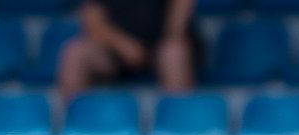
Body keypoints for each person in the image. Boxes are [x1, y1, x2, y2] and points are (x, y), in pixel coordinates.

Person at [57, 0, 197, 103]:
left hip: (162, 43)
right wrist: (123, 45)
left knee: (174, 53)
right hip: (113, 49)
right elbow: (93, 23)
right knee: (75, 53)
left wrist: (171, 35)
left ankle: (180, 124)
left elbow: (182, 6)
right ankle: (74, 124)